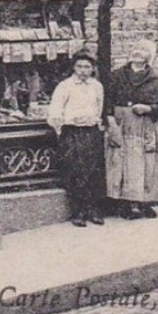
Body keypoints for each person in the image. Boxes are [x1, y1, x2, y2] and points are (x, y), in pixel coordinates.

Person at [105, 40, 158, 219]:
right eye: (135, 49)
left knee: (146, 164)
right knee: (122, 164)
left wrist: (148, 108)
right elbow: (107, 102)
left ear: (149, 56)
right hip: (121, 125)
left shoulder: (154, 79)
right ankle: (125, 204)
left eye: (143, 50)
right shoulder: (117, 75)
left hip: (144, 126)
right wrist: (111, 123)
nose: (138, 53)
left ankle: (145, 202)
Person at [45, 50, 107, 226]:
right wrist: (64, 127)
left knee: (94, 171)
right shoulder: (65, 86)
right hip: (72, 133)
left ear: (92, 69)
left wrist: (94, 121)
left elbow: (98, 108)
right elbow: (55, 111)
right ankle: (77, 212)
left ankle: (93, 210)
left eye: (87, 67)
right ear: (74, 67)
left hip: (91, 132)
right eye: (79, 66)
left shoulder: (96, 86)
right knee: (76, 172)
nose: (83, 70)